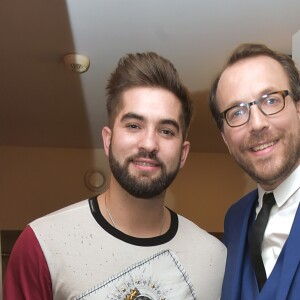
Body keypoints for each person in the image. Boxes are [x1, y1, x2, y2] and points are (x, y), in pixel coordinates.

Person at [4, 51, 226, 299]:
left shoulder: (215, 259)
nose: (149, 144)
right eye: (133, 125)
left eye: (166, 131)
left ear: (183, 154)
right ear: (108, 141)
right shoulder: (42, 245)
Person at [209, 43, 300, 299]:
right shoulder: (235, 218)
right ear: (226, 139)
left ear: (298, 109)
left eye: (271, 100)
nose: (257, 124)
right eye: (237, 112)